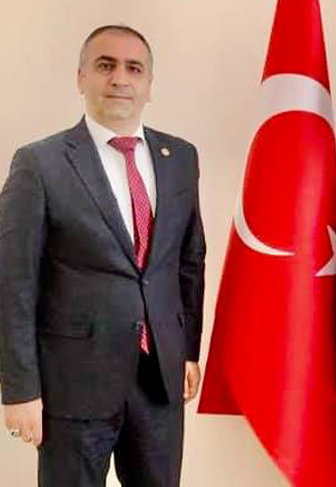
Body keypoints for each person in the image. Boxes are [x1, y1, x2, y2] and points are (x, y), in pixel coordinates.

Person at [0, 25, 206, 487]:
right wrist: (19, 388)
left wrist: (188, 351)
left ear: (149, 85)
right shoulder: (40, 163)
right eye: (105, 65)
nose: (120, 78)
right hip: (73, 385)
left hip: (159, 382)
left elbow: (190, 261)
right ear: (81, 78)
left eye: (134, 68)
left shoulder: (181, 158)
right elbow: (13, 282)